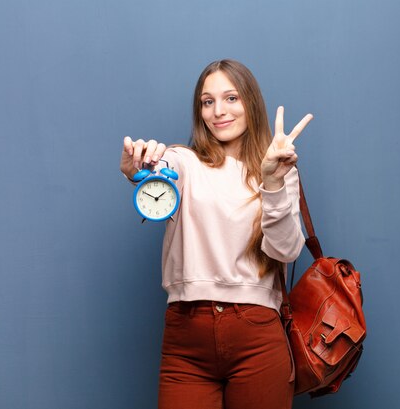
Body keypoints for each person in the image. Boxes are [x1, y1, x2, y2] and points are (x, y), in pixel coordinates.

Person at [119, 59, 313, 409]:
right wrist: (139, 167)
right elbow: (158, 170)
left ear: (251, 103)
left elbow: (285, 251)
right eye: (207, 102)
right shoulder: (183, 162)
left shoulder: (281, 171)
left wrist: (271, 182)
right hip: (187, 338)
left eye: (231, 98)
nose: (218, 111)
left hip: (257, 335)